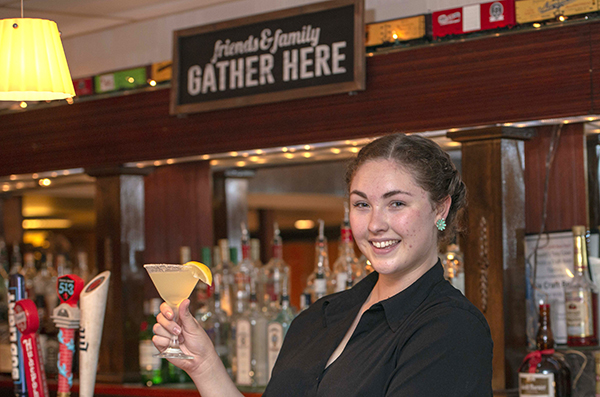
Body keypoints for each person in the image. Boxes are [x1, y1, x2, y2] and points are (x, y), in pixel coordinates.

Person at [152, 133, 493, 396]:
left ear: (441, 209)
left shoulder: (452, 329)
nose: (375, 224)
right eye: (362, 205)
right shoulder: (318, 318)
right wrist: (205, 365)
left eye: (396, 203)